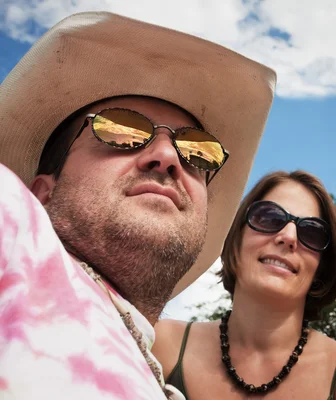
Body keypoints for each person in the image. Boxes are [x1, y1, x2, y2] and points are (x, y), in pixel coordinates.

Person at [0, 11, 276, 400]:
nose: (167, 156)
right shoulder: (11, 221)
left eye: (197, 151)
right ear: (41, 193)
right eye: (119, 129)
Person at [153, 171, 336, 399]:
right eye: (269, 217)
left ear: (322, 268)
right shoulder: (158, 343)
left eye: (312, 232)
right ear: (236, 237)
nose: (288, 237)